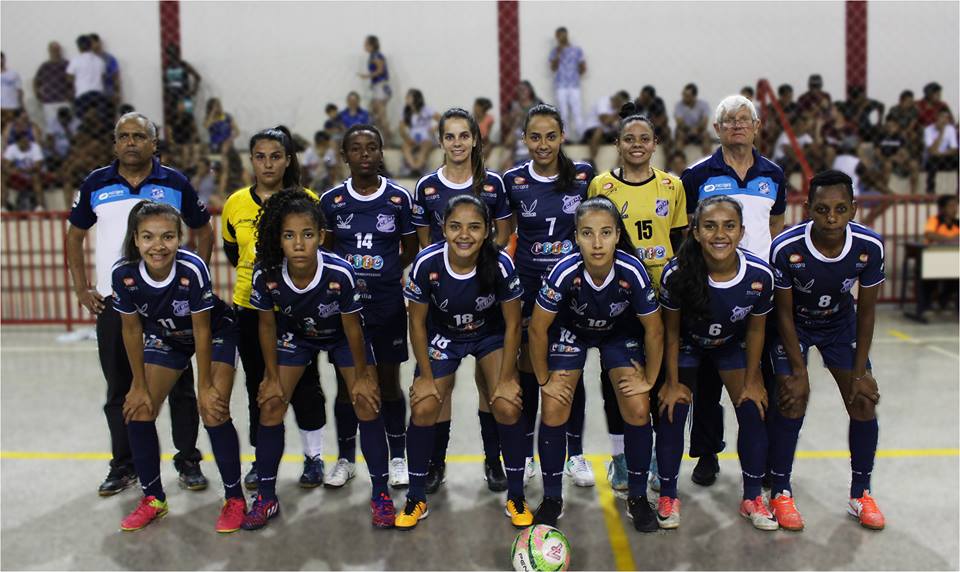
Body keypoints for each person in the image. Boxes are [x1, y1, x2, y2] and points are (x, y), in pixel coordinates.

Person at [66, 112, 212, 496]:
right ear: (114, 144)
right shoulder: (96, 183)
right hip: (116, 304)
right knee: (121, 387)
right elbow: (74, 237)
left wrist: (193, 280)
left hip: (170, 307)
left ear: (154, 143)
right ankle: (124, 464)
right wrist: (83, 289)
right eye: (123, 136)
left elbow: (203, 231)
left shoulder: (175, 183)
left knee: (181, 387)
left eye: (138, 136)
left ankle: (188, 460)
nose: (130, 142)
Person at [243, 188, 396, 530]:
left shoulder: (339, 274)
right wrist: (270, 375)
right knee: (270, 404)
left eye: (307, 235)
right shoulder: (266, 274)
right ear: (278, 239)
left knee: (366, 401)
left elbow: (354, 330)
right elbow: (266, 326)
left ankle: (381, 495)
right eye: (289, 235)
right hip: (297, 336)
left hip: (342, 337)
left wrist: (363, 377)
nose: (299, 244)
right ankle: (266, 497)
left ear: (321, 237)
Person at [528, 196, 663, 531]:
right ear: (576, 237)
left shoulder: (632, 270)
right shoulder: (564, 271)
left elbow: (655, 329)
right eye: (588, 233)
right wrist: (544, 380)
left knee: (636, 406)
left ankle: (636, 496)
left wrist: (650, 379)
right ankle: (552, 497)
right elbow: (538, 328)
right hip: (571, 332)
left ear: (618, 234)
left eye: (605, 232)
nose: (598, 242)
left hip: (618, 334)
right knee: (556, 405)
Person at [397, 194, 529, 530]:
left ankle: (516, 496)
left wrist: (507, 377)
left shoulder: (500, 263)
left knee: (507, 403)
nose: (464, 235)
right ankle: (415, 497)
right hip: (444, 335)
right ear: (443, 228)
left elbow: (513, 323)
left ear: (487, 231)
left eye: (474, 226)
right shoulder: (428, 263)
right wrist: (425, 377)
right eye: (455, 226)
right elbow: (416, 323)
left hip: (489, 334)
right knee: (425, 404)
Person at [111, 201, 244, 532]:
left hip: (213, 332)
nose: (158, 246)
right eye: (148, 237)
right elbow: (131, 329)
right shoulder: (123, 274)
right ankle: (154, 499)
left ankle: (235, 498)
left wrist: (204, 386)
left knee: (213, 409)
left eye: (168, 236)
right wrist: (139, 385)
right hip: (167, 336)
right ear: (136, 239)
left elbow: (201, 329)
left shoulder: (192, 268)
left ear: (179, 237)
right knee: (139, 409)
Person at [766, 170, 886, 531]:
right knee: (792, 399)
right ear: (808, 209)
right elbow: (783, 312)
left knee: (863, 400)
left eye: (839, 209)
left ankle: (860, 493)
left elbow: (866, 310)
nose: (831, 218)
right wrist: (799, 372)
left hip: (840, 325)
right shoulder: (787, 247)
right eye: (821, 210)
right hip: (795, 326)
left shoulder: (869, 247)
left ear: (852, 209)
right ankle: (781, 490)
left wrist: (861, 372)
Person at [680, 94, 786, 487]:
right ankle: (707, 455)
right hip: (712, 289)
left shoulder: (773, 174)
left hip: (759, 291)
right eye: (729, 120)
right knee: (707, 382)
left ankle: (763, 460)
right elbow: (687, 228)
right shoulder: (697, 175)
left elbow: (776, 227)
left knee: (762, 379)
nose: (737, 125)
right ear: (716, 129)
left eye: (745, 119)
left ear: (758, 126)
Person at [657, 196, 777, 531]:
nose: (719, 234)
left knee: (754, 407)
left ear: (741, 232)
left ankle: (753, 496)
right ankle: (668, 494)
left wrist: (753, 380)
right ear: (695, 231)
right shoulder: (676, 273)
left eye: (729, 226)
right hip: (687, 345)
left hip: (729, 346)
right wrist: (671, 381)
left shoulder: (759, 275)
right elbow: (669, 331)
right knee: (672, 408)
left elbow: (756, 330)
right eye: (710, 226)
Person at [412, 108, 515, 493]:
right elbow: (424, 242)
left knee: (493, 386)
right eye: (450, 136)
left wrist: (481, 269)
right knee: (441, 388)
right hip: (443, 305)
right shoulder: (426, 188)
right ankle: (436, 464)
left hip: (487, 304)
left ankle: (494, 461)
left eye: (464, 136)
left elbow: (503, 232)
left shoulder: (493, 185)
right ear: (440, 142)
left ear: (475, 140)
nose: (457, 143)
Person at [587, 104, 688, 493]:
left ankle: (656, 462)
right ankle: (621, 459)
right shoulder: (601, 186)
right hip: (616, 296)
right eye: (629, 139)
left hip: (661, 296)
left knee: (658, 378)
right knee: (617, 381)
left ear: (655, 144)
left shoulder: (672, 186)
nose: (636, 145)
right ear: (617, 143)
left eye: (644, 139)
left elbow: (679, 243)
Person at [220, 126, 328, 490]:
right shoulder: (235, 203)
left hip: (297, 306)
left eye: (276, 156)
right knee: (259, 383)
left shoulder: (306, 199)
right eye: (260, 156)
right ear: (251, 160)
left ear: (288, 160)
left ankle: (314, 457)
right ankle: (261, 458)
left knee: (306, 383)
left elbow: (315, 252)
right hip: (250, 306)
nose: (268, 164)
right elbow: (233, 251)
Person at [319, 124, 418, 490]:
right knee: (348, 386)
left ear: (381, 153)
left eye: (371, 147)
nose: (364, 154)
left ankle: (397, 457)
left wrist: (385, 267)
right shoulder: (331, 201)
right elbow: (325, 250)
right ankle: (346, 458)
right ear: (345, 156)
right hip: (346, 311)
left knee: (389, 384)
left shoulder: (398, 198)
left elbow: (409, 248)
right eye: (356, 148)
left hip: (387, 305)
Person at [504, 104, 595, 488]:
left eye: (551, 136)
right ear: (525, 139)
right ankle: (525, 455)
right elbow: (501, 236)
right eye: (535, 137)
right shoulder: (512, 181)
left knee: (571, 371)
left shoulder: (583, 176)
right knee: (527, 369)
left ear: (562, 138)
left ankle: (574, 454)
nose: (543, 145)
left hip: (573, 290)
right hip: (528, 290)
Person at [921, 194, 960, 312]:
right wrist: (951, 239)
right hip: (932, 259)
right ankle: (926, 305)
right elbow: (930, 234)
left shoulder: (957, 223)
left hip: (953, 260)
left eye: (956, 206)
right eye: (951, 206)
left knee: (955, 278)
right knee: (930, 278)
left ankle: (945, 301)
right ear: (942, 208)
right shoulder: (935, 220)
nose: (955, 209)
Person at [548, 27, 586, 141]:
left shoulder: (577, 50)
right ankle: (566, 137)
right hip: (560, 85)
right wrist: (558, 54)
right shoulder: (554, 51)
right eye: (558, 36)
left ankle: (582, 136)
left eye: (562, 35)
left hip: (574, 85)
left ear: (566, 35)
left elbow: (583, 67)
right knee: (562, 113)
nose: (560, 37)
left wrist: (576, 72)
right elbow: (553, 68)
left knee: (577, 111)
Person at [66, 35, 107, 136]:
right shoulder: (99, 60)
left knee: (83, 122)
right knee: (99, 122)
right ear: (90, 45)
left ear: (79, 47)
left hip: (82, 95)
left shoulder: (76, 60)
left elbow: (69, 78)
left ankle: (84, 141)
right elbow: (103, 77)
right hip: (98, 95)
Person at [500, 80, 543, 171]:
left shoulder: (537, 103)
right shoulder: (513, 105)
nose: (522, 92)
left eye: (524, 89)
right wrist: (514, 119)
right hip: (518, 130)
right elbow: (506, 121)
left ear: (530, 91)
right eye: (519, 90)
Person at [582, 90, 630, 166]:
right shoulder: (603, 102)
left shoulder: (618, 109)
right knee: (599, 130)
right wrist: (618, 112)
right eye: (620, 103)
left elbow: (620, 125)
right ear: (617, 99)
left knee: (626, 136)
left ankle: (618, 167)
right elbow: (604, 120)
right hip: (591, 130)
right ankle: (592, 160)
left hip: (606, 133)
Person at [359, 35, 392, 145]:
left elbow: (380, 70)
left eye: (366, 44)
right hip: (377, 87)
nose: (364, 46)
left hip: (381, 87)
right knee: (374, 113)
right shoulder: (373, 55)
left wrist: (367, 76)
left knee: (382, 115)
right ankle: (381, 136)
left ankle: (388, 139)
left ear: (371, 45)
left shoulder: (377, 55)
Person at [1, 131, 46, 211]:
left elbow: (38, 166)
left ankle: (40, 207)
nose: (26, 143)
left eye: (27, 141)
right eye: (24, 142)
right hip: (18, 176)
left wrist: (24, 170)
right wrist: (13, 170)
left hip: (32, 175)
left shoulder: (35, 147)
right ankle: (3, 207)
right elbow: (5, 165)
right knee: (3, 177)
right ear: (18, 142)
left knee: (36, 176)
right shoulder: (12, 148)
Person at [399, 88, 437, 178]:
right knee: (405, 147)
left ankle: (417, 167)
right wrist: (407, 139)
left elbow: (442, 119)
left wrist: (434, 128)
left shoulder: (426, 109)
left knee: (424, 145)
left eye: (409, 97)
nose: (406, 98)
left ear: (416, 98)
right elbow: (401, 129)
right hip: (413, 138)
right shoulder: (405, 112)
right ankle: (414, 168)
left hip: (427, 138)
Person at [33, 42, 72, 126]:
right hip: (49, 101)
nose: (56, 52)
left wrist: (71, 94)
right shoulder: (44, 66)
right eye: (53, 50)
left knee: (67, 124)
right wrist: (38, 95)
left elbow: (73, 80)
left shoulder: (67, 64)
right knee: (51, 125)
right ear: (49, 51)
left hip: (64, 100)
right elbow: (36, 81)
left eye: (57, 49)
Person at [923, 109, 959, 194]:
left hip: (945, 157)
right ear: (937, 117)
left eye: (947, 118)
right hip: (931, 159)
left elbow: (954, 149)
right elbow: (931, 150)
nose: (945, 120)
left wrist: (941, 153)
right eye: (943, 117)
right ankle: (930, 191)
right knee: (933, 160)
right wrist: (941, 133)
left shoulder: (950, 129)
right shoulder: (928, 130)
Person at [162, 43, 202, 120]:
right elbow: (165, 83)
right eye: (169, 54)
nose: (171, 57)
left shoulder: (183, 65)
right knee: (174, 121)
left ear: (177, 54)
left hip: (184, 97)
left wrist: (194, 90)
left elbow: (197, 77)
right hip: (172, 99)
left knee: (188, 120)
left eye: (173, 54)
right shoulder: (167, 68)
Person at [673, 83, 712, 158]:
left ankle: (708, 162)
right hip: (685, 132)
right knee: (679, 136)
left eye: (687, 96)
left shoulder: (703, 105)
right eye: (684, 94)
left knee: (706, 136)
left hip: (699, 132)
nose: (684, 97)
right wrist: (690, 130)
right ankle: (679, 162)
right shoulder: (679, 105)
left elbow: (705, 121)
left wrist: (697, 129)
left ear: (694, 96)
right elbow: (680, 122)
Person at [89, 33, 121, 108]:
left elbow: (115, 76)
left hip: (108, 94)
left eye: (92, 42)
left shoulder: (109, 59)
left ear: (98, 42)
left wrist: (117, 93)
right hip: (91, 95)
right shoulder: (87, 60)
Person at [473, 97, 495, 161]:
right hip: (474, 141)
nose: (474, 108)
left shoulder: (489, 119)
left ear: (481, 108)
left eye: (476, 106)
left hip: (484, 141)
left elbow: (488, 135)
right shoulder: (471, 119)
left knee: (488, 146)